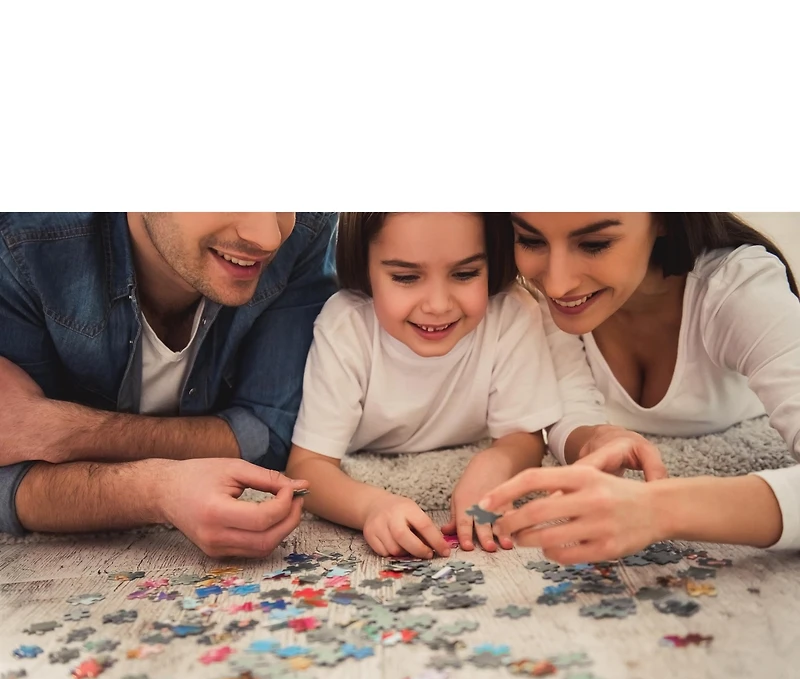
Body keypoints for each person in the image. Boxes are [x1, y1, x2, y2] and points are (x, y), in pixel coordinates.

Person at [0, 212, 337, 557]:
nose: (268, 237)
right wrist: (157, 491)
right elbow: (7, 472)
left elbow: (270, 432)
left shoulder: (306, 227)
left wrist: (66, 431)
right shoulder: (21, 241)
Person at [478, 212, 800, 563]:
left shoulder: (737, 287)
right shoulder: (541, 302)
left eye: (595, 244)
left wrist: (661, 509)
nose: (556, 284)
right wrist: (594, 438)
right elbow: (568, 410)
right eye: (531, 240)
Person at [286, 211, 564, 559]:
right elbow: (307, 467)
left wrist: (495, 463)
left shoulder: (512, 314)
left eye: (465, 274)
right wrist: (371, 506)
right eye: (405, 277)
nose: (437, 305)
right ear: (365, 266)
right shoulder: (346, 326)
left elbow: (523, 437)